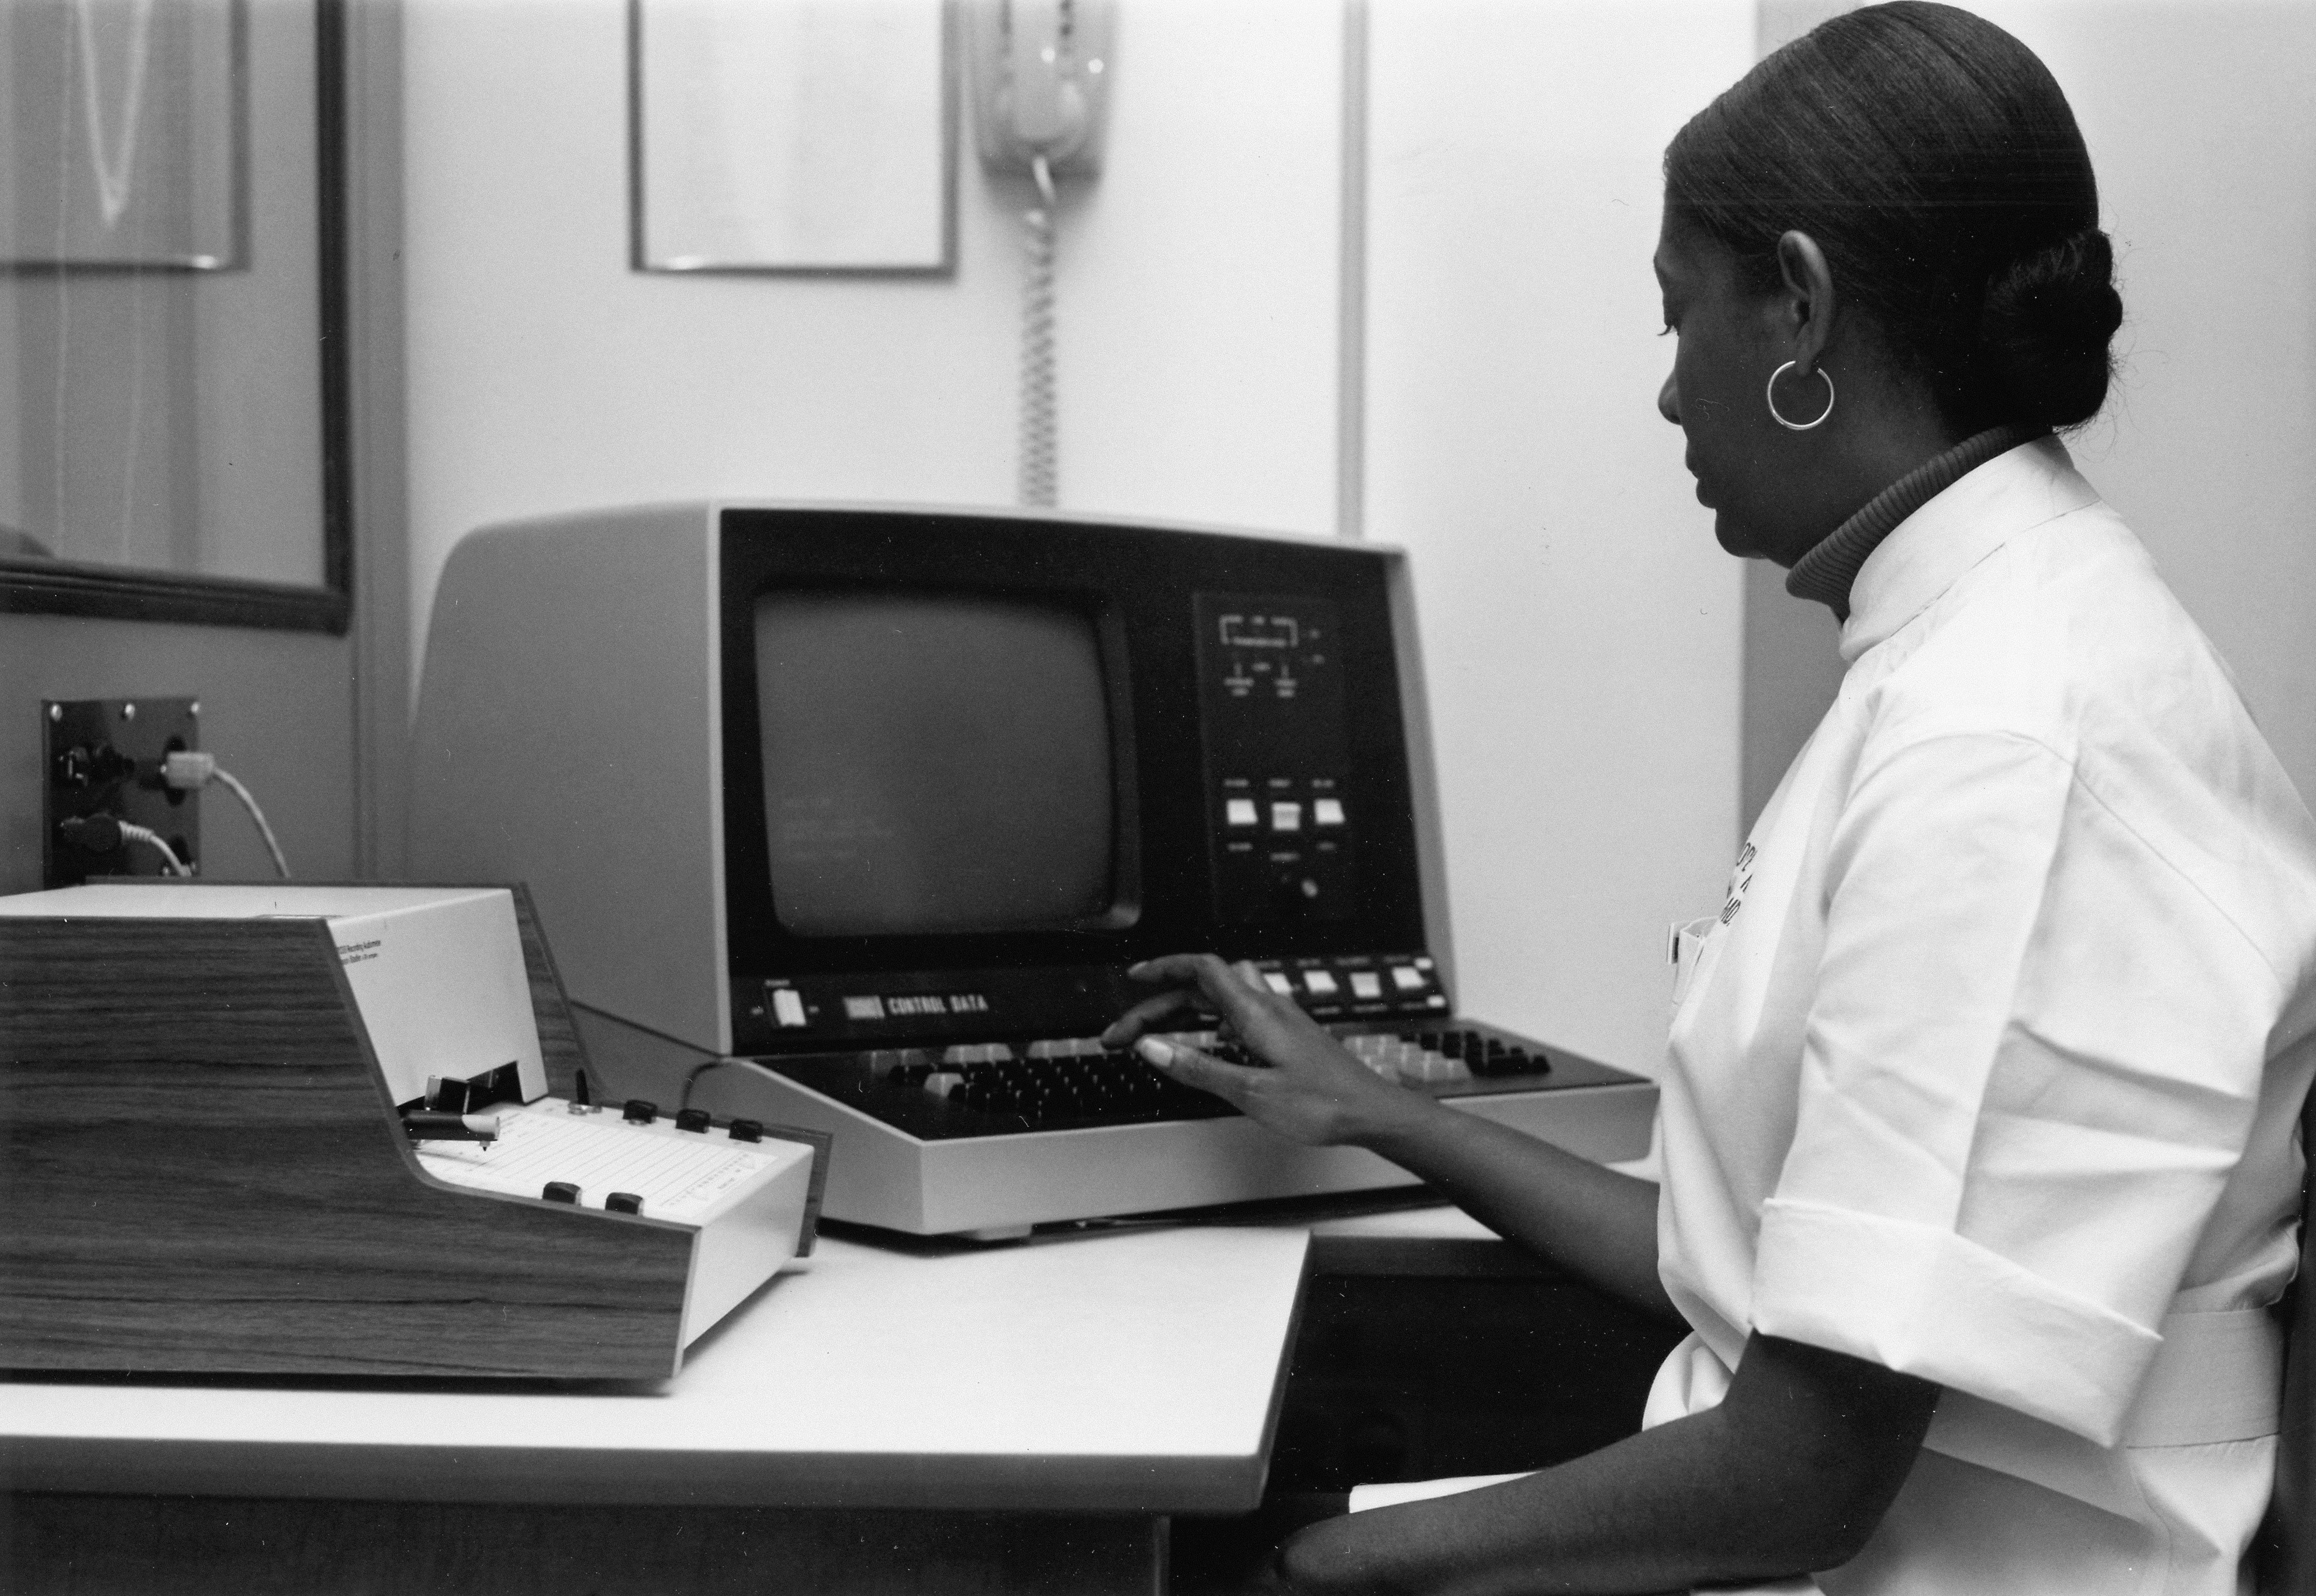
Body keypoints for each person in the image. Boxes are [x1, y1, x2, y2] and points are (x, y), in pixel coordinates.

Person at [1100, 5, 2316, 1592]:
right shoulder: (1979, 646)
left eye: (1678, 315)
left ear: (1798, 307)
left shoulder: (1998, 740)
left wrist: (1316, 1571)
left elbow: (1802, 1481)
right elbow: (1754, 1263)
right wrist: (1376, 1110)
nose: (1671, 394)